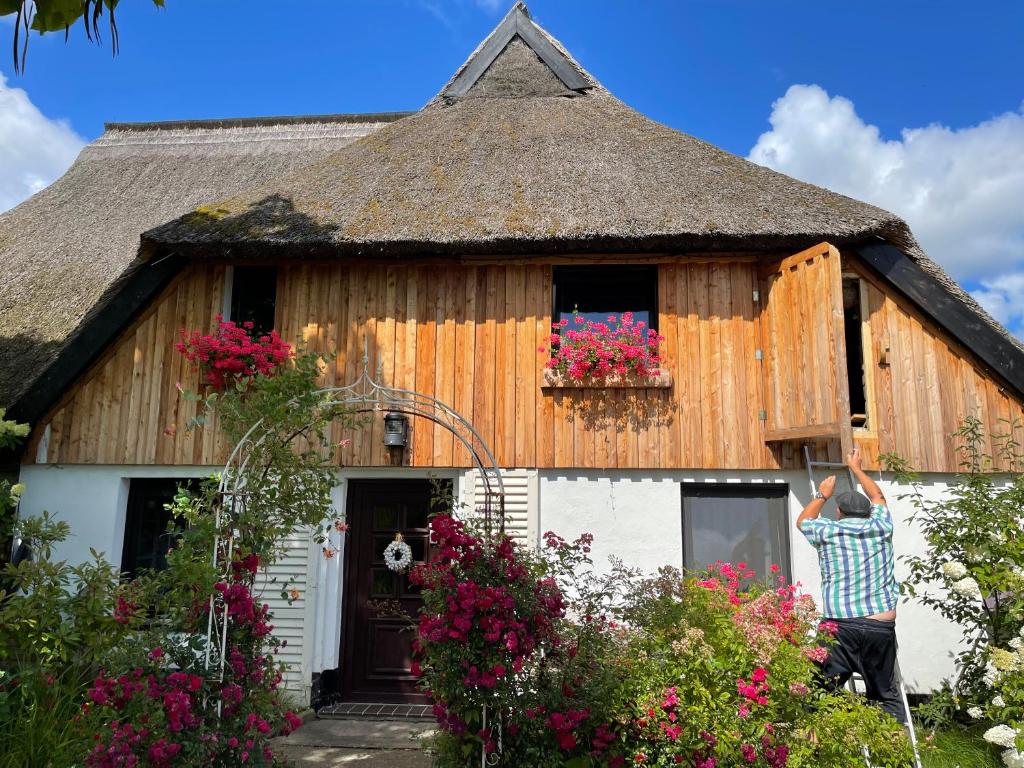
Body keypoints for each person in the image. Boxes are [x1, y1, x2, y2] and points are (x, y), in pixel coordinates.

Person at [796, 447, 906, 723]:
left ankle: (818, 752)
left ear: (839, 512)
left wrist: (822, 494)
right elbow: (878, 496)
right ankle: (896, 753)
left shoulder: (829, 531)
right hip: (880, 625)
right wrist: (856, 468)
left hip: (840, 627)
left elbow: (803, 521)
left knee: (818, 693)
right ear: (868, 512)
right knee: (885, 697)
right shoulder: (881, 527)